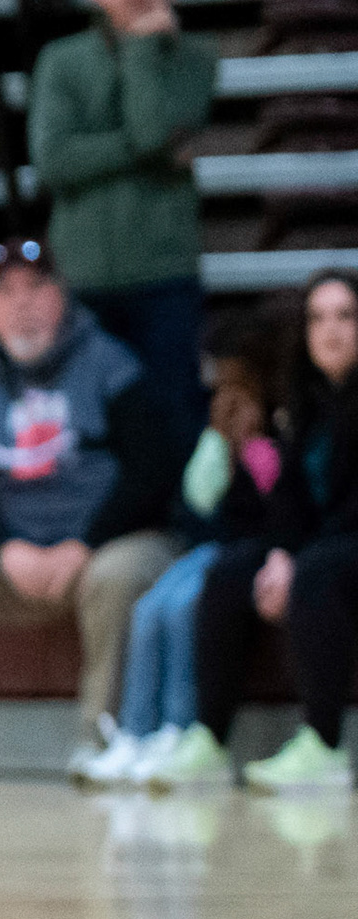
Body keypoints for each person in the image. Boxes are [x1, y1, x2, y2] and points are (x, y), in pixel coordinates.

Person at [0, 238, 185, 788]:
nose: (21, 304)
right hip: (18, 560)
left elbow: (154, 474)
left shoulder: (112, 365)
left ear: (63, 296)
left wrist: (85, 543)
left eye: (36, 287)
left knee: (120, 573)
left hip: (105, 548)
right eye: (5, 291)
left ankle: (102, 737)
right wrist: (7, 548)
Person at [27, 0, 218, 447]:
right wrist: (144, 152)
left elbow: (152, 126)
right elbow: (54, 161)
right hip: (85, 274)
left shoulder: (194, 58)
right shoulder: (61, 61)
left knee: (175, 411)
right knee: (90, 416)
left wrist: (140, 52)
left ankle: (185, 528)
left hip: (165, 270)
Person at [74, 314, 282, 789]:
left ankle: (179, 728)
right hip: (215, 546)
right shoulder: (215, 423)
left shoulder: (280, 423)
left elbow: (280, 501)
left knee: (187, 608)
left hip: (256, 550)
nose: (224, 387)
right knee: (151, 608)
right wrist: (218, 441)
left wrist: (252, 447)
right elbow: (198, 499)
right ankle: (135, 732)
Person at [172, 271, 358, 793]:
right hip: (322, 546)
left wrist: (297, 560)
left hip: (342, 548)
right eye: (317, 318)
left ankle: (324, 746)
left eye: (345, 315)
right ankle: (209, 739)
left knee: (318, 573)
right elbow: (288, 500)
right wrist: (280, 553)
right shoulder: (301, 401)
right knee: (231, 572)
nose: (331, 330)